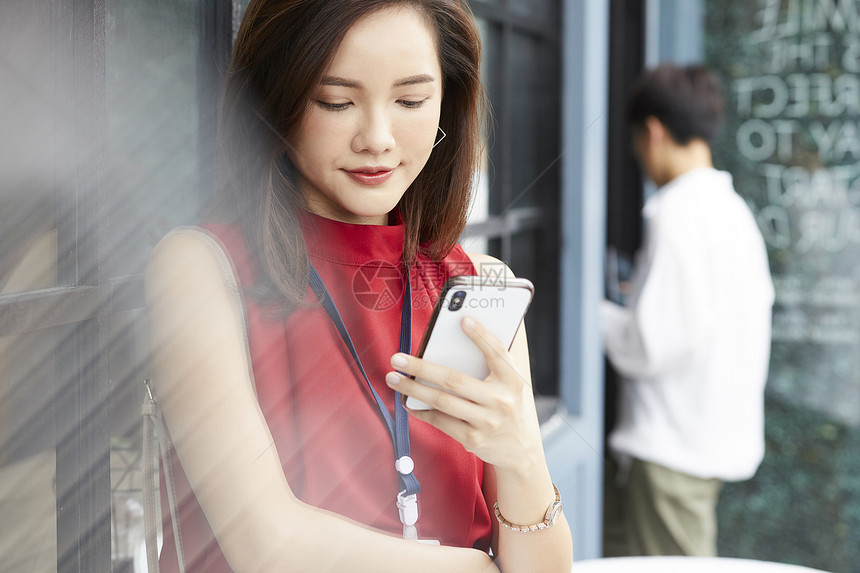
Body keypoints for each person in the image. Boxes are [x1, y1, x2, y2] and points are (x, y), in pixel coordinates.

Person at [144, 1, 573, 572]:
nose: (377, 138)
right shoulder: (202, 267)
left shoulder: (477, 283)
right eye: (337, 101)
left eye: (412, 101)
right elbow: (268, 547)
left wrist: (521, 456)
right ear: (276, 98)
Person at [600, 63, 775, 557]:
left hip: (671, 451)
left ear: (652, 132)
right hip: (705, 440)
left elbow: (654, 345)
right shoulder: (732, 211)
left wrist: (590, 317)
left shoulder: (677, 212)